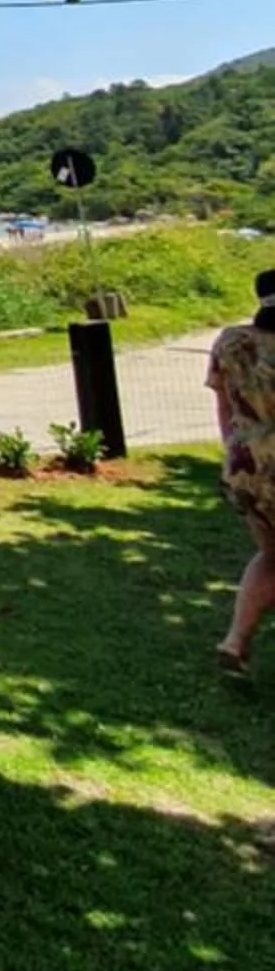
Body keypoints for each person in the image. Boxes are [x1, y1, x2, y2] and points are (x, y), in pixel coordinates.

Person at [204, 269, 275, 674]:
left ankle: (235, 641)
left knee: (272, 554)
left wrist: (234, 451)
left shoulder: (231, 342)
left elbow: (225, 408)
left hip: (247, 468)